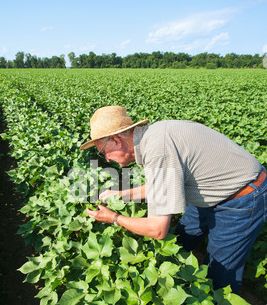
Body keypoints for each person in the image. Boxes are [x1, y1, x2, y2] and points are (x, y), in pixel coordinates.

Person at [80, 106, 267, 293]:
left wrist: (113, 218)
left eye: (103, 152)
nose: (106, 159)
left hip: (242, 197)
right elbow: (165, 184)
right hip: (208, 192)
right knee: (180, 241)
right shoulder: (154, 136)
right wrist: (121, 194)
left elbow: (158, 229)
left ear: (116, 140)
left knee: (220, 274)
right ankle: (179, 287)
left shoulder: (158, 151)